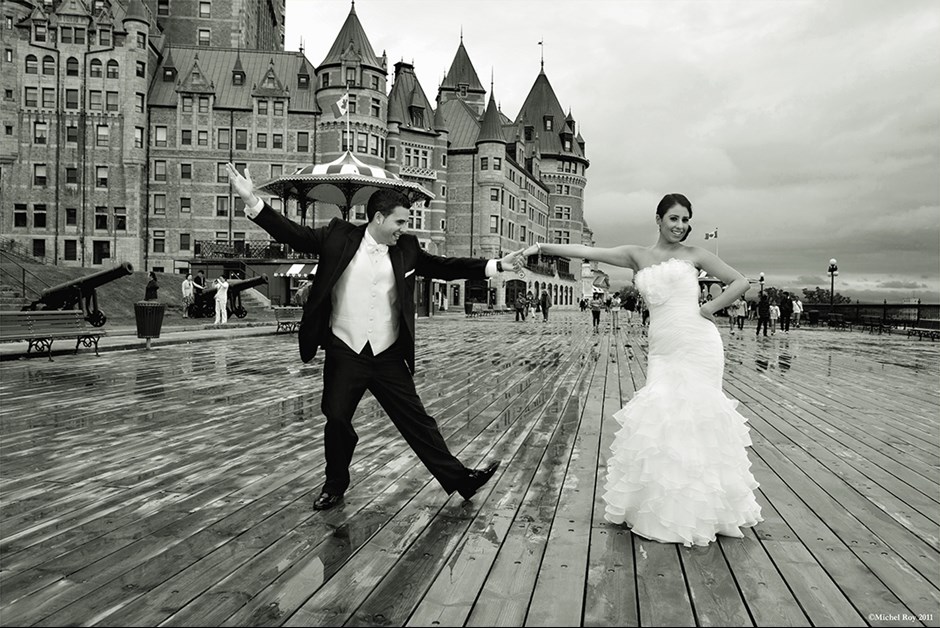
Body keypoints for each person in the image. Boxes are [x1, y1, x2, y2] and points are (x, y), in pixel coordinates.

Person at [226, 163, 514, 510]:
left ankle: (459, 479)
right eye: (400, 222)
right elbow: (292, 233)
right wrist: (252, 202)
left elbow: (445, 266)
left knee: (419, 421)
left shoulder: (406, 248)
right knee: (336, 420)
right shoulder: (337, 236)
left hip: (388, 353)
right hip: (345, 349)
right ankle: (335, 485)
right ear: (378, 218)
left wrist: (495, 265)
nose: (404, 229)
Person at [519, 193, 761, 547]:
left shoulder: (696, 255)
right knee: (661, 415)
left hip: (698, 342)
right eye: (674, 219)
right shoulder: (637, 255)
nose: (680, 226)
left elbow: (740, 282)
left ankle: (703, 508)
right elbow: (587, 253)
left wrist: (711, 307)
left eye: (685, 220)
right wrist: (542, 247)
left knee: (698, 417)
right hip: (663, 348)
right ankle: (661, 504)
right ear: (659, 219)